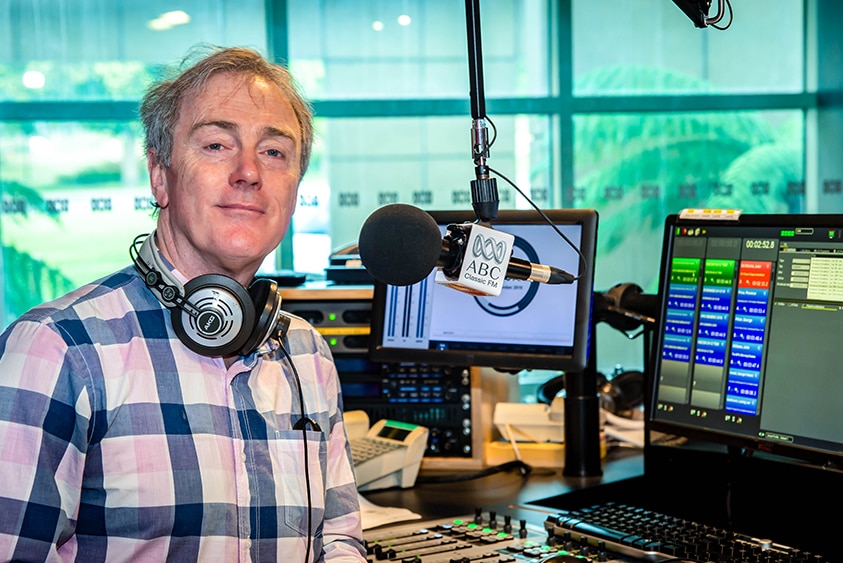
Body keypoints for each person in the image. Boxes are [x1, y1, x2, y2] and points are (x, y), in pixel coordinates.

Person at [0, 46, 366, 561]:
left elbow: (340, 538)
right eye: (217, 145)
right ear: (160, 174)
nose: (248, 172)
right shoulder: (55, 351)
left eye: (275, 152)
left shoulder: (306, 353)